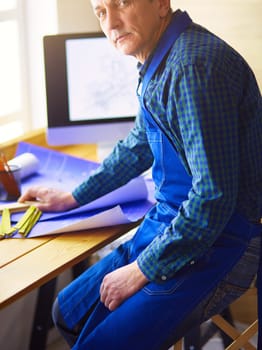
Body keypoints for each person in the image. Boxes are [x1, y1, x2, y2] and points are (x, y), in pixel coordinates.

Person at [19, 0, 262, 349]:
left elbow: (213, 197)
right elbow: (138, 145)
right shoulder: (159, 59)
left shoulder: (190, 67)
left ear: (161, 4)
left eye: (122, 3)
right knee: (67, 314)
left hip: (224, 242)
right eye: (101, 11)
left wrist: (142, 269)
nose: (111, 23)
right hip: (174, 225)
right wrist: (72, 196)